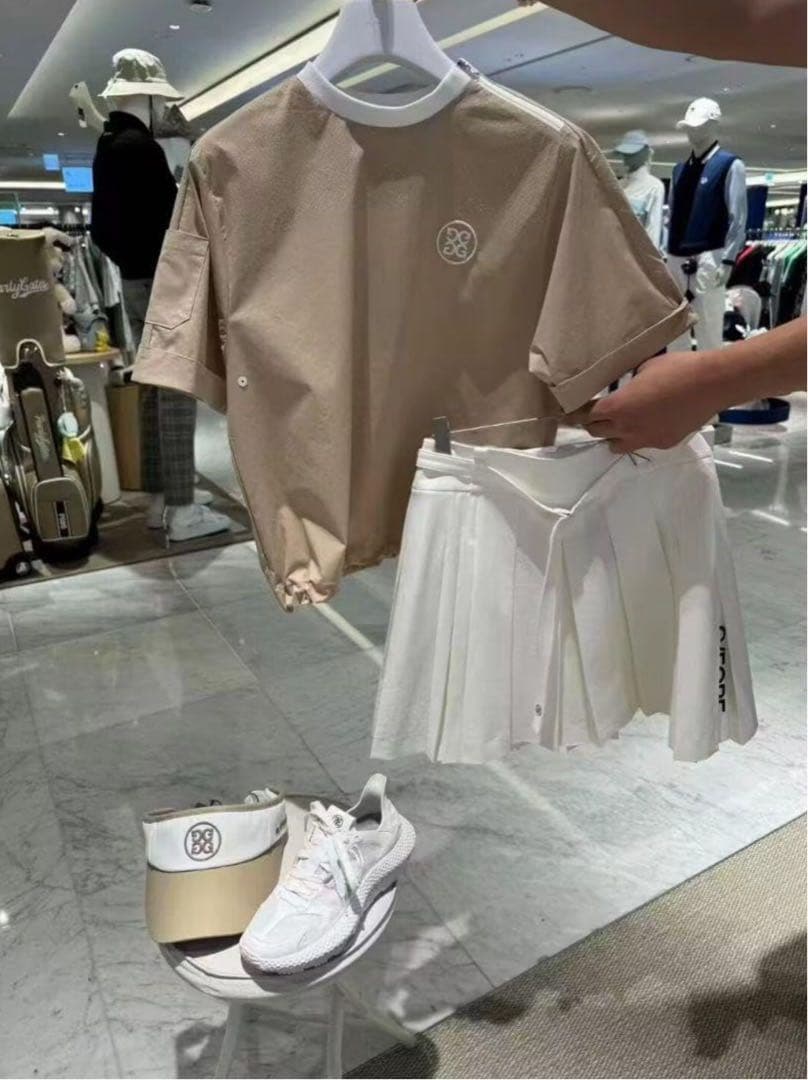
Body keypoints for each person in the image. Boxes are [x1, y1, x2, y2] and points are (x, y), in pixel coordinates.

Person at [518, 0, 806, 452]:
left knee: (707, 333)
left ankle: (710, 423)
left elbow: (735, 218)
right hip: (676, 256)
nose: (691, 132)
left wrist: (724, 265)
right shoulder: (684, 169)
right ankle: (692, 413)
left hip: (709, 258)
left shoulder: (727, 166)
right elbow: (740, 19)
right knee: (673, 338)